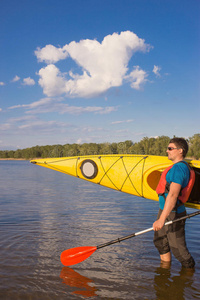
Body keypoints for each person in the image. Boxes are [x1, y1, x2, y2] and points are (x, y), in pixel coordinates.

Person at [153, 137, 195, 268]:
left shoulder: (179, 169)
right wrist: (162, 216)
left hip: (173, 213)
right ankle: (165, 269)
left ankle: (190, 275)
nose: (167, 151)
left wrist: (162, 219)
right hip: (165, 210)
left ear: (180, 151)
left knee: (179, 251)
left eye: (170, 148)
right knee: (160, 241)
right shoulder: (175, 167)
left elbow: (172, 195)